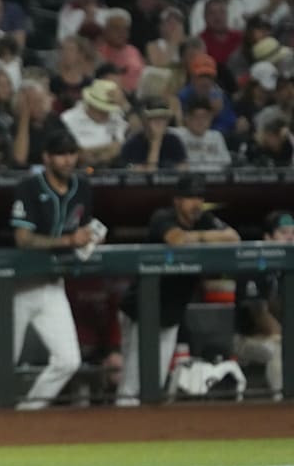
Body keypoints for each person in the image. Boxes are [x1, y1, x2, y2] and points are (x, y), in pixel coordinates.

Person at [0, 131, 96, 411]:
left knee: (68, 361)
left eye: (71, 153)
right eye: (61, 154)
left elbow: (86, 227)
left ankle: (28, 412)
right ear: (47, 157)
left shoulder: (82, 187)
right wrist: (69, 241)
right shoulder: (29, 187)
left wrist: (90, 237)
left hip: (53, 285)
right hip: (19, 286)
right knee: (5, 360)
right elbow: (24, 238)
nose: (68, 160)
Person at [116, 174, 241, 406]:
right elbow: (176, 239)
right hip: (141, 308)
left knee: (156, 380)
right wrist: (207, 238)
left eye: (200, 197)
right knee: (132, 383)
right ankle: (120, 422)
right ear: (177, 200)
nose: (196, 203)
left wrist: (198, 235)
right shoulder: (162, 217)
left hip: (171, 312)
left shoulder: (204, 219)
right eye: (190, 197)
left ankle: (142, 425)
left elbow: (233, 237)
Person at [234, 210, 294, 400]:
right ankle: (282, 402)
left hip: (279, 335)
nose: (290, 238)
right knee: (281, 348)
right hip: (246, 339)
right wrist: (286, 337)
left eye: (293, 233)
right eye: (283, 233)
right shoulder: (253, 265)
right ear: (268, 238)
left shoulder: (287, 269)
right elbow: (259, 315)